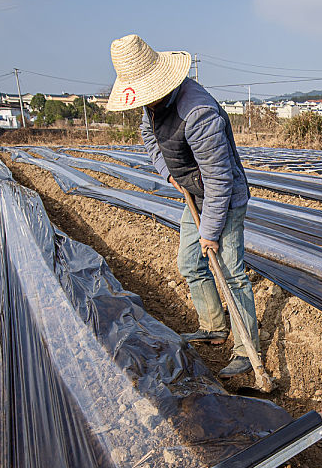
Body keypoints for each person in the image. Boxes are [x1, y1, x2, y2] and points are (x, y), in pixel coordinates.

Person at [104, 34, 259, 379]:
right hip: (193, 191)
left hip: (224, 200)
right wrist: (168, 173)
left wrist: (210, 232)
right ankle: (214, 327)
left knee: (232, 274)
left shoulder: (199, 113)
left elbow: (220, 182)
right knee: (190, 263)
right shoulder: (153, 105)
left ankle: (247, 351)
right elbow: (150, 137)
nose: (145, 104)